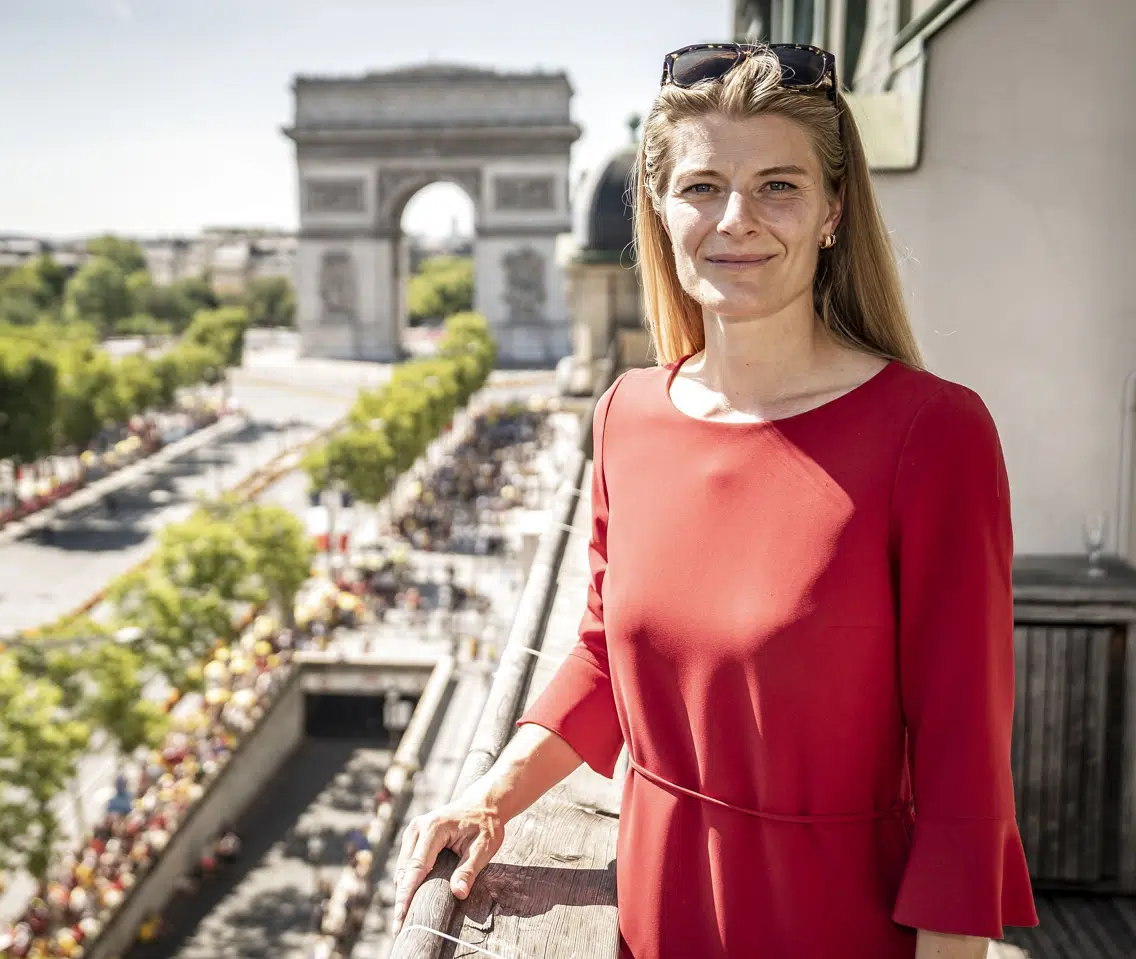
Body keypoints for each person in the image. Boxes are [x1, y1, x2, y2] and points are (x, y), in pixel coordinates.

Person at [390, 43, 1039, 959]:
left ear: (833, 210)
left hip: (839, 930)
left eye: (779, 185)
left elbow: (966, 775)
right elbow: (603, 655)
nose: (737, 219)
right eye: (702, 186)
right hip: (650, 920)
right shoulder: (626, 414)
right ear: (660, 208)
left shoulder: (934, 436)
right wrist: (490, 795)